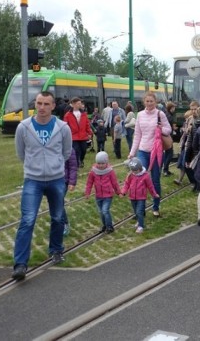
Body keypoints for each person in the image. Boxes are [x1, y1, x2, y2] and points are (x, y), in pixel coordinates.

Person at [12, 91, 72, 280]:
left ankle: (56, 249)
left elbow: (66, 152)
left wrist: (54, 166)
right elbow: (21, 153)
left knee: (57, 217)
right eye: (39, 103)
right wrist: (35, 166)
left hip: (56, 179)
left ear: (53, 106)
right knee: (27, 220)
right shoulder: (24, 127)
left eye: (46, 104)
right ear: (35, 105)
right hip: (33, 179)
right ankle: (20, 264)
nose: (42, 108)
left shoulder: (63, 128)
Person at [129, 91, 171, 217]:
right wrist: (132, 153)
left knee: (155, 180)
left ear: (155, 102)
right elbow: (137, 135)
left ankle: (156, 206)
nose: (149, 103)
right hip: (143, 151)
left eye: (151, 101)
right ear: (144, 102)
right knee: (140, 178)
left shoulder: (160, 114)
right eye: (147, 101)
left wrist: (160, 128)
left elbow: (168, 130)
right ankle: (140, 209)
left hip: (157, 152)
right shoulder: (140, 115)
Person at [84, 151, 121, 234]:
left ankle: (110, 227)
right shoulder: (93, 171)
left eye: (102, 163)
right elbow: (89, 183)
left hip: (108, 195)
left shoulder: (110, 171)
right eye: (98, 163)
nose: (100, 166)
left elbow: (115, 183)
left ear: (106, 162)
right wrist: (87, 193)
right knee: (101, 212)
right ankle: (104, 225)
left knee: (105, 211)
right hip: (98, 196)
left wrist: (119, 192)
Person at [121, 158, 159, 233]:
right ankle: (139, 221)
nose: (134, 172)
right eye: (132, 170)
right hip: (132, 197)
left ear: (140, 168)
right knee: (136, 211)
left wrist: (154, 194)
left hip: (141, 197)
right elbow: (126, 184)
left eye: (136, 170)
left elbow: (150, 186)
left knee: (139, 212)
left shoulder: (146, 176)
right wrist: (123, 192)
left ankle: (141, 226)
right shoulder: (130, 175)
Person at [63, 97, 93, 168]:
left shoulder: (84, 114)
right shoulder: (67, 115)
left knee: (83, 150)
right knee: (76, 150)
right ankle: (77, 163)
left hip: (83, 136)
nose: (80, 105)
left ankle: (81, 160)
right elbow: (65, 126)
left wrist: (89, 133)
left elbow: (87, 124)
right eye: (78, 103)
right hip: (73, 136)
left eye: (80, 103)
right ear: (73, 104)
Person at [62, 148, 78, 236]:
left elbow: (73, 166)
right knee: (53, 203)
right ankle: (58, 223)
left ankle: (65, 223)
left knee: (58, 201)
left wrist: (72, 182)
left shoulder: (69, 149)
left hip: (63, 180)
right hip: (52, 180)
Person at [162, 102, 176, 176]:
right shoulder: (169, 116)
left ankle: (166, 169)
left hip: (166, 136)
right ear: (171, 108)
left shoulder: (166, 114)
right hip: (168, 137)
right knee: (170, 153)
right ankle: (165, 170)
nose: (174, 109)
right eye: (173, 108)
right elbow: (170, 127)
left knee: (167, 153)